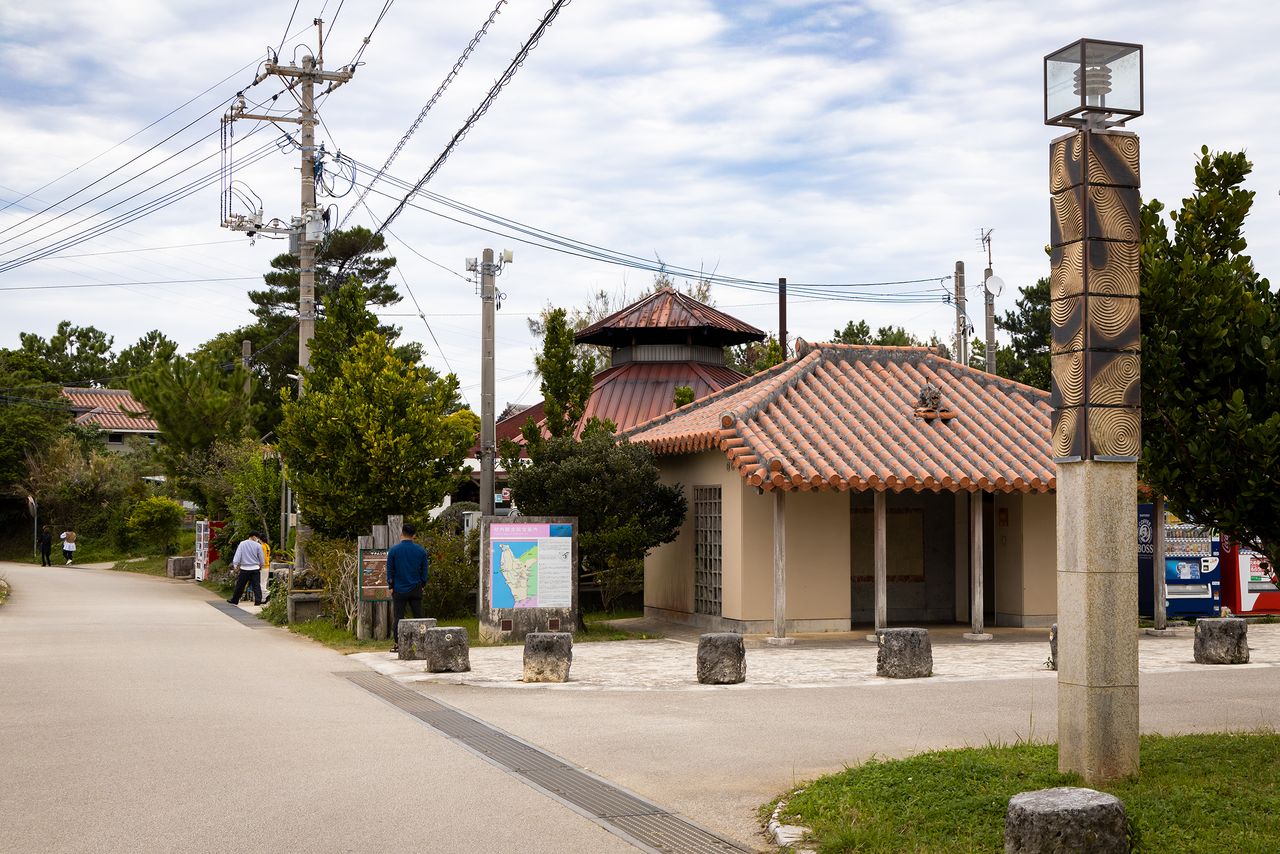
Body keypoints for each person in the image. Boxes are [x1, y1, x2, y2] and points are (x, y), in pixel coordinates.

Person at [385, 523, 429, 653]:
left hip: (399, 588)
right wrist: (422, 584)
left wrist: (391, 585)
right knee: (419, 616)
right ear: (414, 536)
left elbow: (390, 569)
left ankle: (398, 644)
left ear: (401, 534)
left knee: (398, 617)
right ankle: (422, 643)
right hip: (416, 587)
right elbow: (425, 570)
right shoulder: (421, 550)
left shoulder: (393, 550)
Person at [227, 532, 266, 606]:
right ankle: (258, 600)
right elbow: (261, 557)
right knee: (256, 585)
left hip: (244, 568)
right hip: (255, 568)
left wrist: (235, 564)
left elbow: (238, 555)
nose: (258, 539)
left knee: (240, 585)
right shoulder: (258, 545)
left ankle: (235, 600)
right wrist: (262, 565)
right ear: (254, 536)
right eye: (257, 537)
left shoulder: (242, 544)